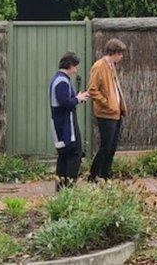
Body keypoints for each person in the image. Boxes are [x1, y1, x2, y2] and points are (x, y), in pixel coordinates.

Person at [87, 38, 128, 182]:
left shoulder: (111, 66)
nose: (122, 57)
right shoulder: (99, 66)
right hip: (106, 114)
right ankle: (93, 175)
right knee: (105, 146)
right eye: (120, 54)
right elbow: (92, 89)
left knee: (112, 147)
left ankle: (106, 174)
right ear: (114, 52)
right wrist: (107, 103)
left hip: (115, 113)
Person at [49, 52, 90, 190]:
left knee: (64, 155)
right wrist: (78, 99)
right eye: (75, 66)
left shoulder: (59, 78)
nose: (76, 70)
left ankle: (61, 189)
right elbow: (65, 102)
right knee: (74, 154)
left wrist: (77, 97)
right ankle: (69, 187)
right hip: (65, 125)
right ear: (70, 65)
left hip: (61, 123)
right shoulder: (62, 81)